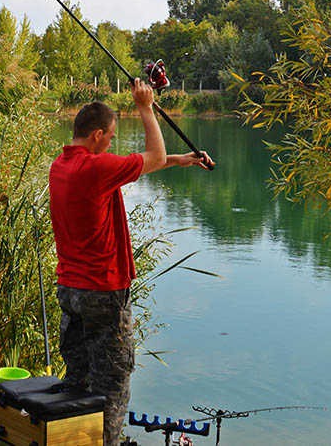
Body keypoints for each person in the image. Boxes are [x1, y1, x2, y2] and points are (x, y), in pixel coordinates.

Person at [49, 78, 212, 446]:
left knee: (78, 378)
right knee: (112, 382)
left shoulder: (63, 166)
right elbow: (150, 157)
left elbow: (145, 164)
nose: (112, 142)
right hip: (102, 292)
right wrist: (145, 107)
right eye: (109, 136)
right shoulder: (93, 169)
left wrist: (180, 159)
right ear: (95, 136)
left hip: (70, 291)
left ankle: (70, 439)